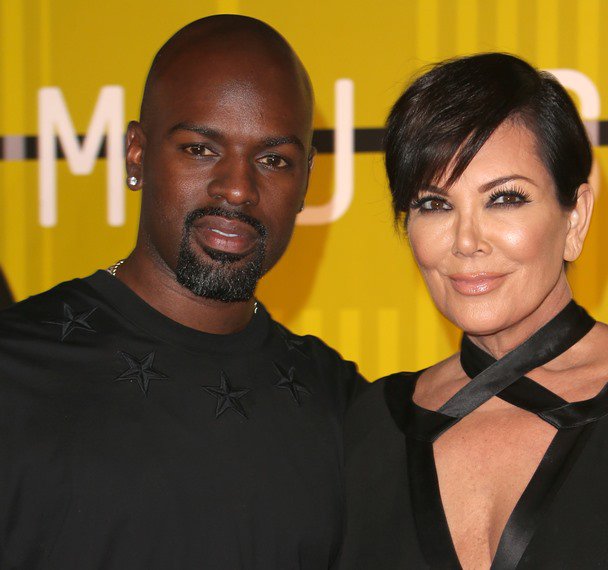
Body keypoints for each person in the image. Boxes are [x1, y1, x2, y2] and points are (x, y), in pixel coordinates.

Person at [0, 15, 362, 569]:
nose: (238, 188)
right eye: (200, 149)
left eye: (273, 160)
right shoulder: (15, 370)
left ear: (306, 181)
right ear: (136, 154)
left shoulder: (343, 407)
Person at [340, 53, 608, 569]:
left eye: (505, 198)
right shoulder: (368, 428)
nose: (466, 241)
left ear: (575, 218)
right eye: (435, 205)